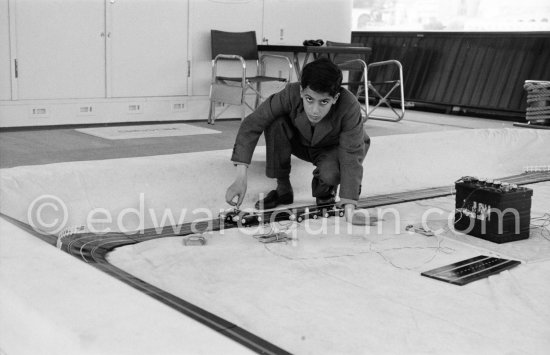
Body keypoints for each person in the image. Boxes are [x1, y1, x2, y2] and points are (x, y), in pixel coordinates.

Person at [225, 58, 371, 225]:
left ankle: (325, 191)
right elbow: (253, 123)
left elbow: (351, 155)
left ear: (335, 97)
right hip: (303, 141)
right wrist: (240, 178)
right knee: (274, 122)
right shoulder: (289, 93)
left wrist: (350, 208)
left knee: (330, 174)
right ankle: (283, 190)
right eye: (309, 99)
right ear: (301, 91)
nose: (315, 110)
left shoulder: (349, 105)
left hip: (334, 147)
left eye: (324, 102)